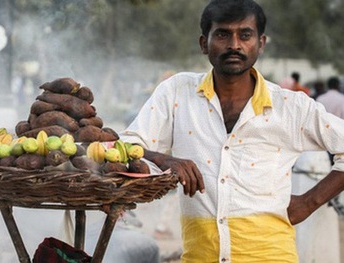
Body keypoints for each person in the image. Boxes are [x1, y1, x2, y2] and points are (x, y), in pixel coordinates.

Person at [119, 0, 344, 262]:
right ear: (204, 43)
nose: (234, 45)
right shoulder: (177, 93)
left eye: (245, 35)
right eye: (223, 34)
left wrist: (309, 202)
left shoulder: (290, 106)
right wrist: (163, 159)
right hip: (200, 256)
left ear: (261, 43)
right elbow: (125, 146)